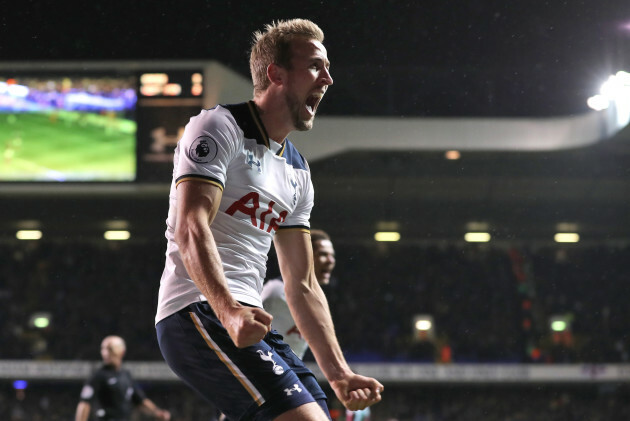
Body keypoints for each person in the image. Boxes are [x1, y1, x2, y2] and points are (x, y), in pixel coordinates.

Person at [155, 18, 383, 421]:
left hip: (250, 319)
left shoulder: (297, 171)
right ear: (276, 73)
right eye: (315, 66)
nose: (328, 79)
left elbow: (304, 284)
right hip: (198, 309)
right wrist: (228, 311)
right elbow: (191, 226)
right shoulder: (218, 126)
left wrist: (339, 374)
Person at [261, 229, 336, 359]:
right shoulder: (276, 291)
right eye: (323, 254)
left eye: (332, 255)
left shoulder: (315, 299)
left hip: (287, 372)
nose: (330, 260)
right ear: (305, 256)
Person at [75, 335, 171, 421]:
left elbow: (141, 401)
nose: (105, 353)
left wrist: (157, 412)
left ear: (121, 351)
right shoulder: (98, 376)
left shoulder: (126, 376)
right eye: (103, 349)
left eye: (110, 349)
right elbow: (84, 404)